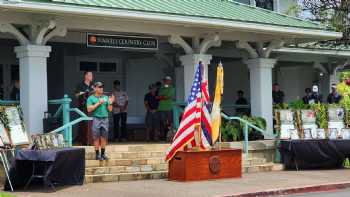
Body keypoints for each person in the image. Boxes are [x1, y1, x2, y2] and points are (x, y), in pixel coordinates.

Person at [87, 82, 115, 160]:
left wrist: (111, 103)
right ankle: (97, 154)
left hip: (105, 118)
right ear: (95, 88)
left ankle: (103, 154)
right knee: (96, 137)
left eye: (102, 87)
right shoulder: (91, 98)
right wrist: (98, 103)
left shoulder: (106, 97)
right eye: (99, 87)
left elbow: (110, 110)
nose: (101, 88)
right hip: (96, 118)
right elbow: (89, 109)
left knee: (104, 137)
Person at [75, 71, 94, 145]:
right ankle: (83, 141)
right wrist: (84, 93)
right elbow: (76, 95)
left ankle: (91, 140)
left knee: (91, 124)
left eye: (92, 75)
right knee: (83, 124)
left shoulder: (93, 85)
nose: (91, 77)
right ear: (85, 76)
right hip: (83, 107)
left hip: (92, 108)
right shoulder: (80, 85)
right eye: (90, 75)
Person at [157, 76, 175, 141]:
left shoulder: (172, 88)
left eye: (168, 80)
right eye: (165, 80)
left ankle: (170, 137)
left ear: (170, 81)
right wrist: (163, 97)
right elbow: (158, 97)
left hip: (169, 108)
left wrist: (162, 97)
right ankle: (163, 137)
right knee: (162, 123)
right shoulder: (161, 88)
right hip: (161, 108)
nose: (166, 81)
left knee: (170, 123)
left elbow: (167, 97)